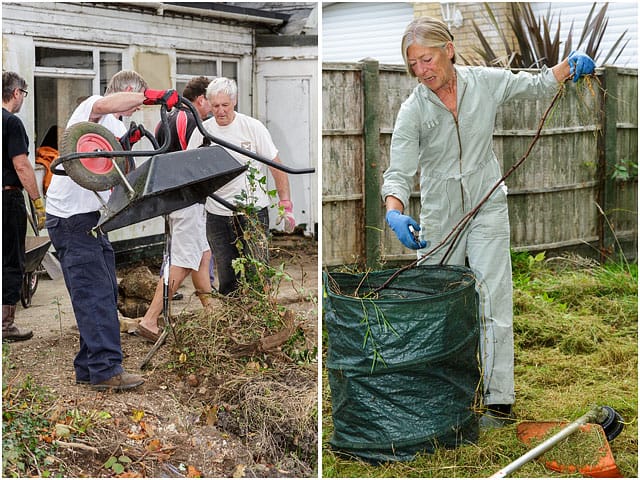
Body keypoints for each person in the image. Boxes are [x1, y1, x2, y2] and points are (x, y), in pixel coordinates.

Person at [381, 17, 595, 428]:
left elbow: (533, 85)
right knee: (440, 306)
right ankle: (443, 393)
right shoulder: (413, 110)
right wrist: (394, 209)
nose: (422, 71)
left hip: (487, 206)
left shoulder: (484, 82)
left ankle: (499, 402)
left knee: (493, 300)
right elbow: (400, 170)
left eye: (427, 59)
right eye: (413, 65)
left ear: (449, 50)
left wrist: (569, 66)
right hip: (440, 218)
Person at [45, 70, 178, 391]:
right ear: (129, 92)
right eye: (135, 100)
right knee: (93, 292)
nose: (135, 110)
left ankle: (89, 366)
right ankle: (106, 370)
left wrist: (126, 145)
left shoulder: (113, 129)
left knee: (103, 288)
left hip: (91, 219)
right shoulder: (91, 108)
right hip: (72, 219)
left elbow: (123, 179)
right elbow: (108, 104)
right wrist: (154, 96)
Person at [186, 77, 296, 296]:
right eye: (215, 106)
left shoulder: (252, 128)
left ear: (234, 102)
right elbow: (190, 168)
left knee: (257, 270)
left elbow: (276, 165)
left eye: (225, 105)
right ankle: (236, 323)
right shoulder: (202, 132)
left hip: (252, 210)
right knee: (227, 276)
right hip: (217, 213)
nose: (220, 111)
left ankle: (261, 314)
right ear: (208, 104)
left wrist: (285, 203)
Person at [136, 76, 215, 342]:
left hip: (172, 198)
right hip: (187, 200)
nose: (214, 109)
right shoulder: (192, 121)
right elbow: (195, 163)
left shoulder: (165, 120)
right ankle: (150, 319)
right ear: (201, 100)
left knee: (202, 256)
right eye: (211, 103)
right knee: (182, 261)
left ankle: (214, 314)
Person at [2, 71, 45, 342]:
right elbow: (21, 165)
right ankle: (5, 325)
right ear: (16, 92)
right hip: (7, 198)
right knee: (10, 260)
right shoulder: (12, 122)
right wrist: (37, 201)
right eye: (24, 94)